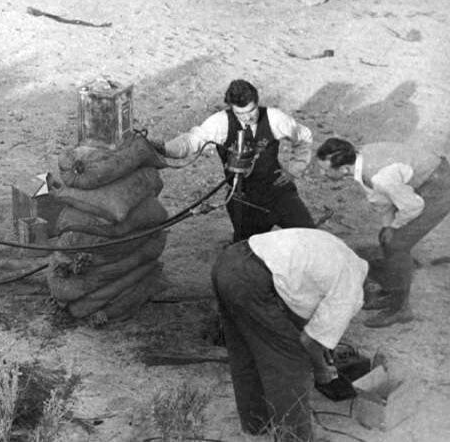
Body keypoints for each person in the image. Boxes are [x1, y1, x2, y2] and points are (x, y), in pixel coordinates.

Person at [211, 228, 368, 442]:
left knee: (246, 352)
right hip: (251, 280)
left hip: (230, 260)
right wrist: (321, 369)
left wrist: (321, 343)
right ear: (372, 288)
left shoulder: (343, 253)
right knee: (292, 362)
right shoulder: (350, 291)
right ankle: (295, 438)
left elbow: (297, 300)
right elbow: (308, 341)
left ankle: (256, 427)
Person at [152, 79, 315, 242]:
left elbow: (304, 136)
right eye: (240, 113)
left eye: (251, 111)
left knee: (311, 237)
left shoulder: (274, 118)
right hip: (243, 199)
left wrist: (294, 169)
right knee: (246, 252)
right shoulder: (220, 122)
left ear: (256, 103)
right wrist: (165, 148)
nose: (248, 117)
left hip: (277, 193)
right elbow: (191, 141)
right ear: (232, 108)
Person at [315, 138, 450, 328]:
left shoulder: (379, 177)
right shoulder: (360, 163)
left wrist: (394, 227)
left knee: (397, 244)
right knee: (386, 237)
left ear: (344, 169)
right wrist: (388, 226)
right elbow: (383, 202)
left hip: (439, 186)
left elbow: (412, 206)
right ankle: (391, 290)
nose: (322, 174)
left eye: (326, 170)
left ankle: (400, 309)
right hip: (421, 181)